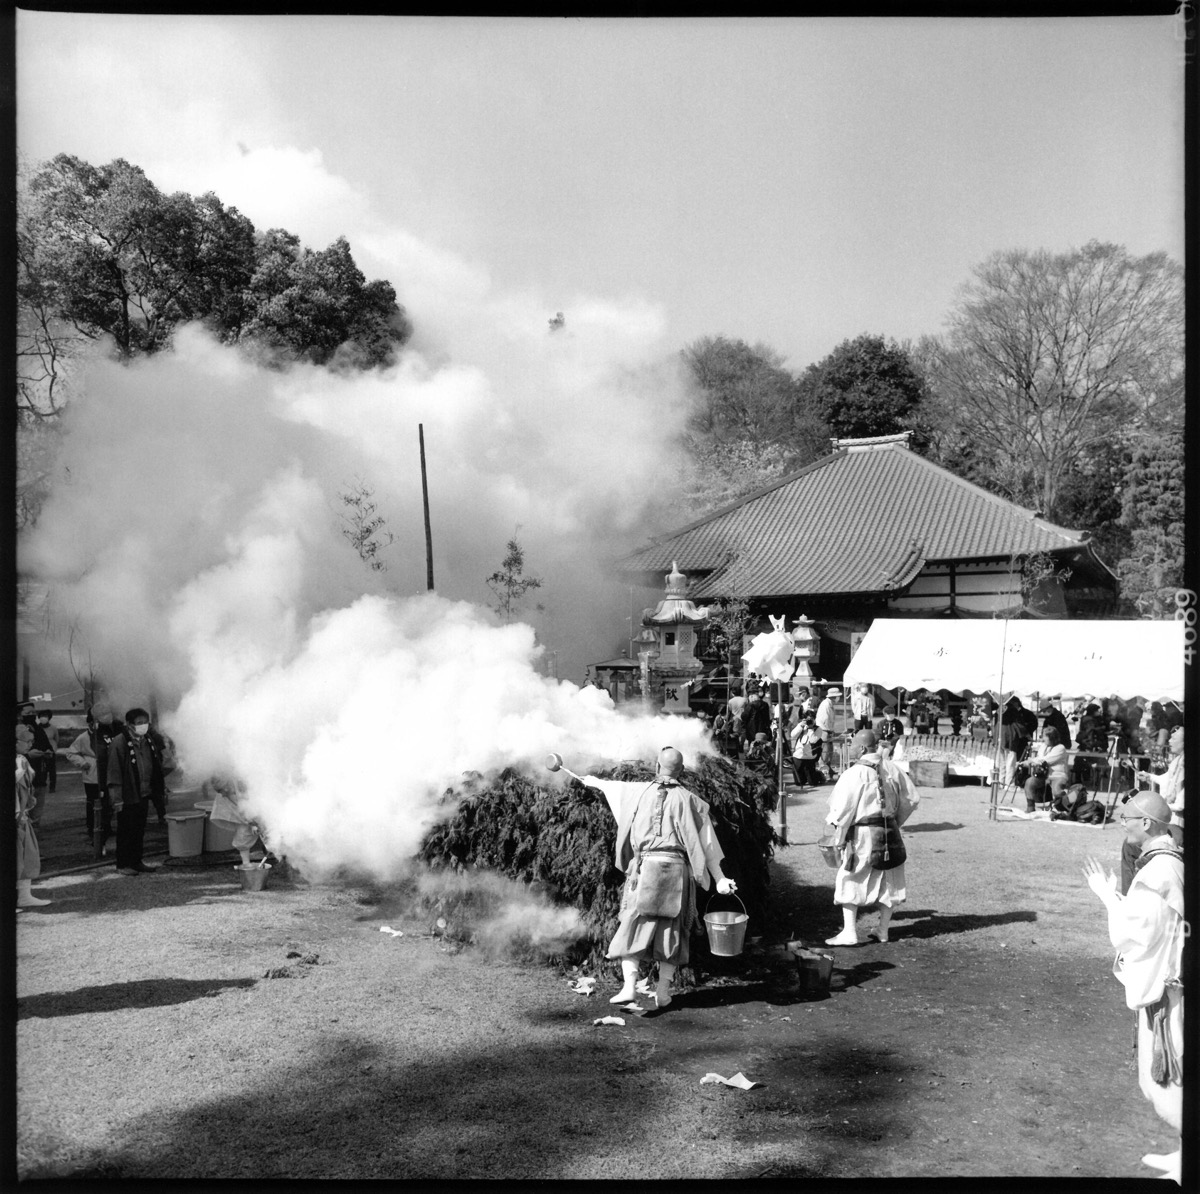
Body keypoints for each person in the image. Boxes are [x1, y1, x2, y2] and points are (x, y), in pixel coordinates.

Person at [579, 747, 736, 1010]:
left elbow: (614, 789)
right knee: (672, 932)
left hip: (644, 868)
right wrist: (719, 878)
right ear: (682, 771)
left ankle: (629, 987)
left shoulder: (637, 792)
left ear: (656, 767)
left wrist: (594, 783)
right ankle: (662, 994)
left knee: (632, 924)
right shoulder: (691, 801)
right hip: (678, 871)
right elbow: (707, 846)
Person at [1083, 792, 1184, 1183]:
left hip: (1165, 993)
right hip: (1169, 985)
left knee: (1162, 1084)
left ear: (1147, 824)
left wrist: (1107, 896)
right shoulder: (1167, 863)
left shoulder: (1158, 873)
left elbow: (1134, 936)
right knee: (1165, 1081)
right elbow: (1152, 925)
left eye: (1127, 817)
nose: (1121, 822)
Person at [823, 729, 920, 947]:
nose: (851, 749)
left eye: (853, 745)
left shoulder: (854, 773)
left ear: (862, 748)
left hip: (864, 834)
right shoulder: (893, 768)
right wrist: (895, 821)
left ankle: (850, 933)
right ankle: (883, 930)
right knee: (890, 877)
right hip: (890, 832)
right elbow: (912, 799)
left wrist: (838, 839)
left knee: (850, 877)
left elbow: (842, 812)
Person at [106, 707, 168, 876]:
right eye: (139, 723)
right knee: (126, 830)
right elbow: (114, 771)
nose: (143, 726)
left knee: (139, 829)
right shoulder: (119, 742)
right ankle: (123, 864)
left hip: (144, 792)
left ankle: (136, 861)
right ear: (129, 725)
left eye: (145, 722)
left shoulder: (147, 739)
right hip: (128, 793)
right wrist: (116, 798)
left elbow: (156, 764)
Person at [1123, 725, 1184, 893]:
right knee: (1130, 846)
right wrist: (1149, 776)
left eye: (1174, 738)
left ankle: (1130, 895)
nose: (1169, 741)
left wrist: (1152, 807)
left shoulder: (1187, 764)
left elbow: (1180, 804)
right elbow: (1167, 780)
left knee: (1131, 847)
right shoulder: (1177, 761)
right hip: (1167, 821)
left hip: (1179, 827)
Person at [16, 754, 51, 909]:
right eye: (27, 740)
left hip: (21, 816)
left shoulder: (21, 758)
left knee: (27, 856)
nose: (31, 743)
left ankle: (24, 896)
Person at [66, 710, 104, 850]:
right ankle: (91, 827)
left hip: (106, 771)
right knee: (93, 802)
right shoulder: (83, 737)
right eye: (96, 721)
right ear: (90, 723)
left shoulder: (107, 735)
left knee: (107, 801)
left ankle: (106, 826)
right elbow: (70, 752)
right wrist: (82, 763)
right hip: (91, 773)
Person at [1023, 726, 1069, 813]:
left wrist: (1031, 761)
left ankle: (1064, 806)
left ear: (1051, 737)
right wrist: (1028, 762)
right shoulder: (1043, 746)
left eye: (1044, 736)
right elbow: (1039, 758)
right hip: (1043, 776)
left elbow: (1046, 761)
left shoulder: (1060, 748)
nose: (1042, 738)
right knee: (1029, 782)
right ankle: (1030, 807)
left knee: (1057, 790)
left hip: (1057, 776)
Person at [1000, 696, 1038, 787]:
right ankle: (1009, 784)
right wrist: (1028, 736)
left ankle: (1001, 782)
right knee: (1010, 763)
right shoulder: (1013, 711)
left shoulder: (1001, 711)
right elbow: (1018, 726)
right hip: (1011, 740)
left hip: (1001, 740)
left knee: (1002, 763)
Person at [789, 712, 823, 787]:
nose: (809, 721)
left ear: (815, 719)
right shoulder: (801, 726)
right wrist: (801, 726)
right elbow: (792, 735)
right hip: (798, 756)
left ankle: (819, 775)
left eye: (812, 719)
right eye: (808, 719)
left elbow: (813, 740)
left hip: (810, 757)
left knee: (812, 782)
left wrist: (810, 729)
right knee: (799, 782)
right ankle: (803, 776)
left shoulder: (818, 729)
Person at [815, 686, 841, 780]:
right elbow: (825, 720)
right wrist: (829, 731)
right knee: (824, 753)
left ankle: (828, 769)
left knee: (829, 752)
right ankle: (824, 773)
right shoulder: (825, 705)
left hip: (827, 730)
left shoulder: (830, 704)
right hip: (824, 730)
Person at [739, 688, 772, 754]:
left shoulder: (750, 705)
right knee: (763, 746)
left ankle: (753, 760)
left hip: (752, 731)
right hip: (763, 731)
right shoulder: (765, 705)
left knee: (752, 746)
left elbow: (743, 716)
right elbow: (768, 718)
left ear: (751, 696)